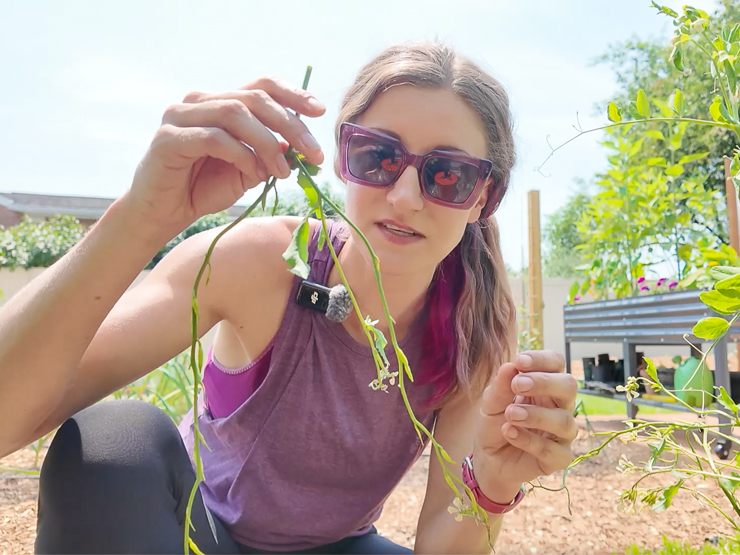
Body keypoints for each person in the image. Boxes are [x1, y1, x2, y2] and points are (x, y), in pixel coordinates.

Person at [0, 41, 578, 554]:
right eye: (378, 156)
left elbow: (442, 545)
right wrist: (141, 217)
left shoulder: (469, 339)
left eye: (448, 174)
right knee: (112, 443)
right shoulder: (263, 261)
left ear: (485, 197)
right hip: (197, 534)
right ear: (341, 159)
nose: (405, 197)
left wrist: (495, 484)